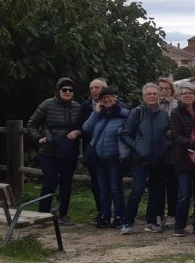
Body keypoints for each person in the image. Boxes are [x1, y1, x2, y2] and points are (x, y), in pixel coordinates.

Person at [25, 77, 82, 226]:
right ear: (58, 91)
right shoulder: (47, 105)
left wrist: (79, 132)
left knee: (66, 184)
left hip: (69, 151)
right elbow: (31, 124)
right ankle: (42, 215)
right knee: (50, 182)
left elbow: (84, 126)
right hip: (48, 151)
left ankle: (63, 214)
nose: (68, 92)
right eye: (64, 89)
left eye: (71, 90)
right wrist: (39, 138)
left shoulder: (77, 107)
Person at [119, 83, 170, 234]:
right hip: (139, 158)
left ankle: (151, 221)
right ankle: (128, 222)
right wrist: (137, 147)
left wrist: (165, 146)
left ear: (159, 96)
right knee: (138, 190)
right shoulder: (136, 112)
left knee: (156, 191)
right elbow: (125, 134)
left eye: (155, 94)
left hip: (158, 158)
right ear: (143, 96)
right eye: (149, 94)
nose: (152, 96)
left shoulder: (163, 114)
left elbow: (168, 133)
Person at [82, 87, 129, 228]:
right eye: (104, 98)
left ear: (115, 98)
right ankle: (105, 215)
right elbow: (86, 128)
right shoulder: (98, 115)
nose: (107, 100)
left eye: (109, 97)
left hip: (115, 157)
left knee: (115, 188)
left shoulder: (124, 114)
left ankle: (119, 215)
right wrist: (95, 113)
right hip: (99, 157)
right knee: (103, 188)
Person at [169, 81, 195, 237]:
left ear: (194, 95)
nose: (187, 95)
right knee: (184, 193)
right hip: (183, 159)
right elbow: (176, 135)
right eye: (184, 93)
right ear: (179, 96)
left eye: (190, 93)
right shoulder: (175, 112)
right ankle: (180, 225)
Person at [78, 77, 107, 224]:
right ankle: (101, 212)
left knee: (113, 184)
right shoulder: (85, 107)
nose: (95, 91)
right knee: (96, 184)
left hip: (110, 151)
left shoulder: (114, 105)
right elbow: (82, 128)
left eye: (98, 88)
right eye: (92, 88)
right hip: (93, 151)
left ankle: (113, 212)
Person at [157, 78, 179, 229]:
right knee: (157, 185)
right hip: (156, 150)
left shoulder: (176, 105)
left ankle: (172, 214)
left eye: (166, 89)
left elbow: (174, 128)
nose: (163, 91)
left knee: (172, 184)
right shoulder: (152, 105)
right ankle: (158, 214)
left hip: (173, 151)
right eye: (161, 89)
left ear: (172, 91)